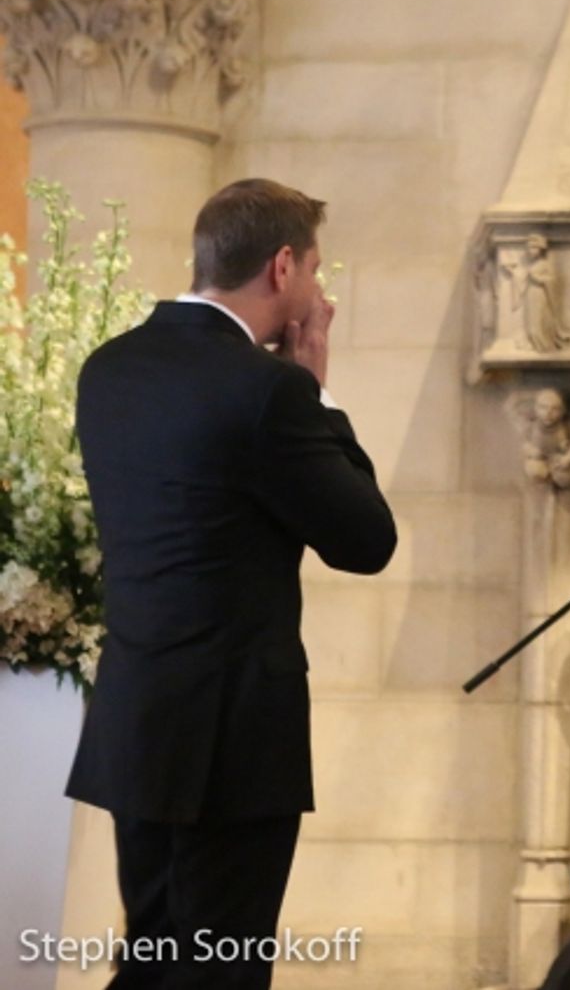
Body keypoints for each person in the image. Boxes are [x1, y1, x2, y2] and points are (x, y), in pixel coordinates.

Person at [66, 178, 398, 989]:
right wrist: (317, 385)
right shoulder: (270, 391)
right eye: (316, 271)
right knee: (221, 968)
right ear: (282, 267)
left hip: (137, 718)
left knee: (151, 955)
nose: (318, 292)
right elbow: (366, 539)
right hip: (234, 735)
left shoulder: (108, 370)